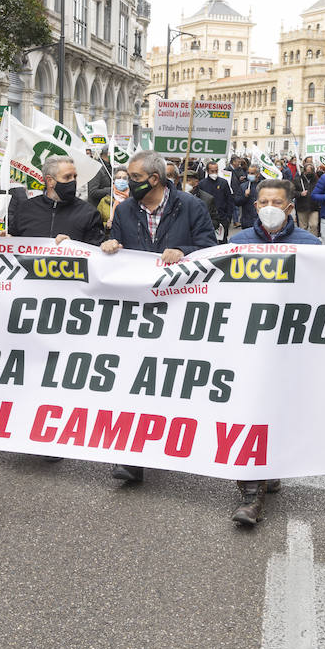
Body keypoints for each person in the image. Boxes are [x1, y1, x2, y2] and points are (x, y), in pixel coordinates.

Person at [100, 150, 217, 484]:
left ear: (154, 179)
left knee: (169, 381)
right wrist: (110, 246)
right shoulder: (124, 209)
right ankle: (131, 458)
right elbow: (117, 250)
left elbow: (210, 249)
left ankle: (182, 442)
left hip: (179, 308)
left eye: (133, 178)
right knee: (133, 381)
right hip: (139, 310)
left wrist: (185, 253)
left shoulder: (190, 206)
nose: (127, 182)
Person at [226, 179, 320, 526]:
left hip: (290, 346)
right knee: (249, 409)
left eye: (276, 202)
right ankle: (251, 494)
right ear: (254, 206)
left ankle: (271, 465)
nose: (269, 207)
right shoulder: (237, 243)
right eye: (263, 201)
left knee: (280, 411)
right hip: (248, 345)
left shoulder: (310, 245)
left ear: (290, 207)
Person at [8, 155, 105, 245]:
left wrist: (73, 247)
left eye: (74, 176)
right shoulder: (25, 209)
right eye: (67, 177)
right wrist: (5, 240)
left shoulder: (89, 213)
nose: (73, 181)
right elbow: (14, 241)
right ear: (50, 181)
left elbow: (95, 251)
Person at [197, 160, 234, 241]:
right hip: (208, 219)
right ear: (207, 171)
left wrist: (228, 217)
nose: (214, 173)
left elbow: (229, 200)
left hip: (222, 218)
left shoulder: (223, 183)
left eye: (216, 171)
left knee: (222, 242)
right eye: (212, 171)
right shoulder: (202, 184)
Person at [294, 157, 320, 233]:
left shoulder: (317, 180)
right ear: (304, 172)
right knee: (303, 227)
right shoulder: (298, 179)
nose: (309, 173)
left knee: (314, 225)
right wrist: (300, 194)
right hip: (302, 207)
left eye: (311, 172)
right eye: (307, 172)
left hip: (314, 207)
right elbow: (292, 192)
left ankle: (313, 242)